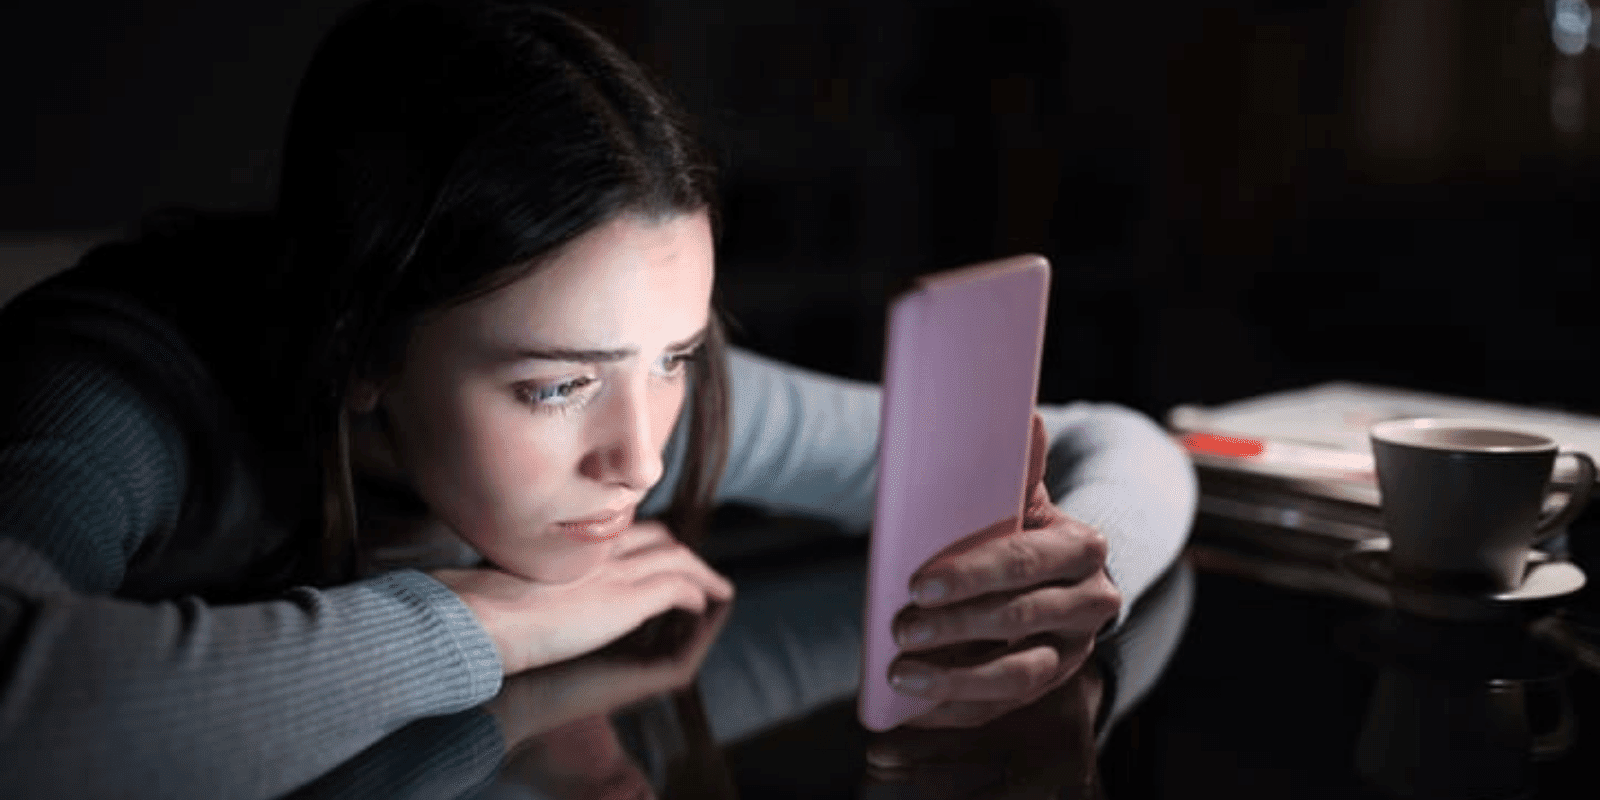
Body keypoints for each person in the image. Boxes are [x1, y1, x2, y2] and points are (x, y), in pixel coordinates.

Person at [0, 0, 1196, 796]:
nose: (635, 456)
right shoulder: (113, 396)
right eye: (558, 382)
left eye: (676, 356)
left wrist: (1073, 569)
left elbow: (1112, 438)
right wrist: (485, 620)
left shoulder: (632, 405)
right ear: (359, 342)